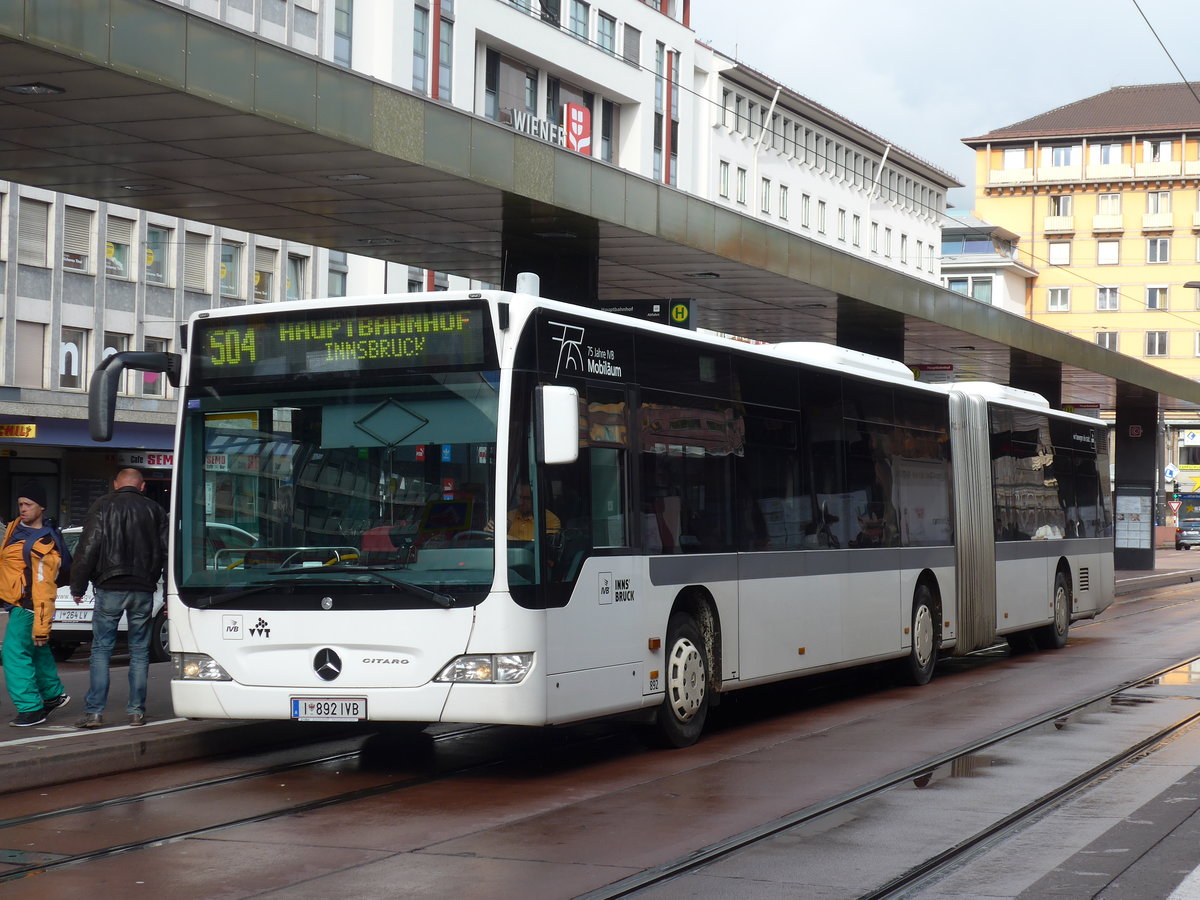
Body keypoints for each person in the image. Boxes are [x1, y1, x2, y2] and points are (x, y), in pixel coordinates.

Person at [70, 468, 167, 729]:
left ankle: (95, 713)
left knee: (101, 650)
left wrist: (77, 586)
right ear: (142, 486)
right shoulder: (155, 510)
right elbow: (166, 552)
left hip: (109, 585)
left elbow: (88, 547)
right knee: (139, 651)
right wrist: (168, 593)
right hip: (143, 588)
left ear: (115, 484)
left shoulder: (102, 505)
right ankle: (136, 712)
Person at [0, 482, 70, 727]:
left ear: (41, 507)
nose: (23, 508)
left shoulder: (43, 545)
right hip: (18, 603)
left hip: (27, 608)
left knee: (14, 655)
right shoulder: (14, 529)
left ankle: (31, 709)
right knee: (38, 652)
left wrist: (42, 626)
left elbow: (44, 588)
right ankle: (52, 695)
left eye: (28, 504)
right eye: (20, 504)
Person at [488, 483, 560, 541]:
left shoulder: (550, 520)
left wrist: (508, 539)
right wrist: (490, 532)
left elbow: (543, 550)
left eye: (526, 498)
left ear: (536, 498)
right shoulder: (510, 516)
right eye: (519, 497)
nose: (520, 502)